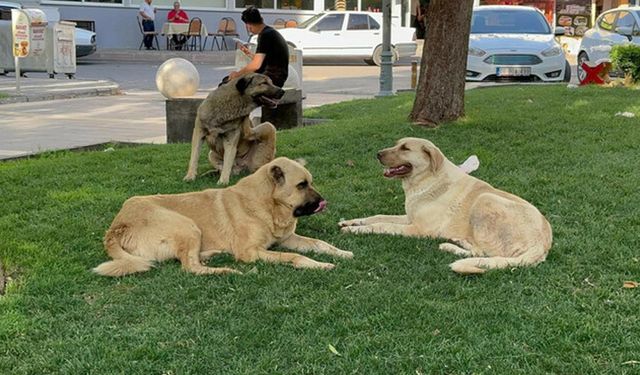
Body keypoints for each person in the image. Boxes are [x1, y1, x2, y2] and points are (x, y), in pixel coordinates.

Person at [227, 6, 289, 88]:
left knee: (229, 83)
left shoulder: (265, 35)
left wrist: (237, 74)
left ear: (248, 25)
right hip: (277, 76)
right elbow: (266, 61)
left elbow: (256, 65)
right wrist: (249, 54)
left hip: (271, 79)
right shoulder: (270, 32)